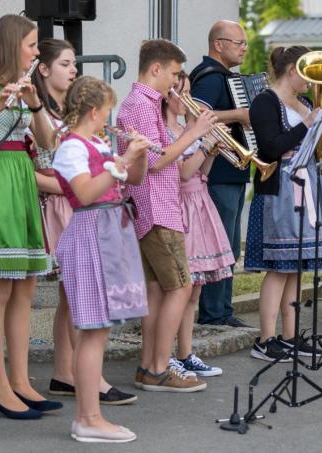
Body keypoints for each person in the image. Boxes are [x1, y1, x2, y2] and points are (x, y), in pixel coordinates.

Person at [0, 14, 61, 420]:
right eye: (32, 44)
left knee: (25, 286)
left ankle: (20, 381)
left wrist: (35, 103)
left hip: (22, 180)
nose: (37, 52)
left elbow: (48, 142)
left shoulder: (29, 84)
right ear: (12, 43)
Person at [29, 38, 136, 405]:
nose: (72, 69)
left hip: (82, 206)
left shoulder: (69, 116)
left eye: (74, 64)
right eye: (65, 63)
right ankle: (82, 379)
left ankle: (67, 373)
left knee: (72, 298)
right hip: (62, 205)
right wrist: (69, 187)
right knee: (79, 301)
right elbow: (37, 169)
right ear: (43, 69)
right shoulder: (40, 112)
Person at [52, 75, 151, 442]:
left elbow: (132, 180)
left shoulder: (97, 142)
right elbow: (85, 192)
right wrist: (121, 158)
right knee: (92, 329)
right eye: (107, 111)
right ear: (94, 111)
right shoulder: (72, 148)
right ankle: (88, 418)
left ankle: (90, 417)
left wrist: (137, 157)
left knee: (100, 329)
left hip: (109, 232)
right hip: (90, 232)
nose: (109, 119)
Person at [117, 39, 217, 392]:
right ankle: (160, 367)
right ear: (155, 68)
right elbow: (156, 160)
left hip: (153, 206)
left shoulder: (144, 103)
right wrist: (194, 132)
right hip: (156, 206)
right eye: (174, 74)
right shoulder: (143, 106)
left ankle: (149, 367)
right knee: (181, 285)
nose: (176, 83)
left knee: (159, 290)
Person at [245, 46, 322, 361]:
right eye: (307, 75)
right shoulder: (264, 102)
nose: (312, 82)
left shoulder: (302, 103)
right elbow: (271, 148)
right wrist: (306, 124)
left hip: (305, 183)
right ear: (291, 71)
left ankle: (289, 336)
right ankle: (265, 339)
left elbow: (313, 148)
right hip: (279, 188)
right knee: (278, 268)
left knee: (296, 268)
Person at [164, 72, 230, 378]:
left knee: (195, 291)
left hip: (200, 203)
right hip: (181, 208)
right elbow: (182, 173)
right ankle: (166, 356)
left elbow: (202, 171)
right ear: (166, 95)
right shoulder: (166, 131)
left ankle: (186, 353)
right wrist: (204, 143)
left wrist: (214, 148)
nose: (186, 99)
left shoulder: (185, 127)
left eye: (189, 92)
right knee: (182, 286)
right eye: (181, 93)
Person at [188, 20, 253, 328]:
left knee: (229, 244)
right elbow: (194, 115)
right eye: (239, 43)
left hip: (233, 171)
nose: (244, 48)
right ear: (218, 44)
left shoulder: (228, 78)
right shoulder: (210, 78)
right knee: (220, 243)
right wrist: (239, 115)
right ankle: (214, 313)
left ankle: (223, 309)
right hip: (218, 172)